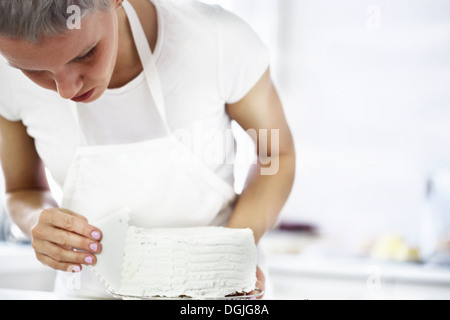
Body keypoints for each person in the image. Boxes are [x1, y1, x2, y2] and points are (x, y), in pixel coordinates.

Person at [0, 0, 296, 298]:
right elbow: (21, 189)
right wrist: (36, 220)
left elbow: (276, 155)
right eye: (32, 69)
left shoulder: (218, 40)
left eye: (85, 54)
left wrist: (227, 258)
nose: (67, 89)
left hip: (213, 296)